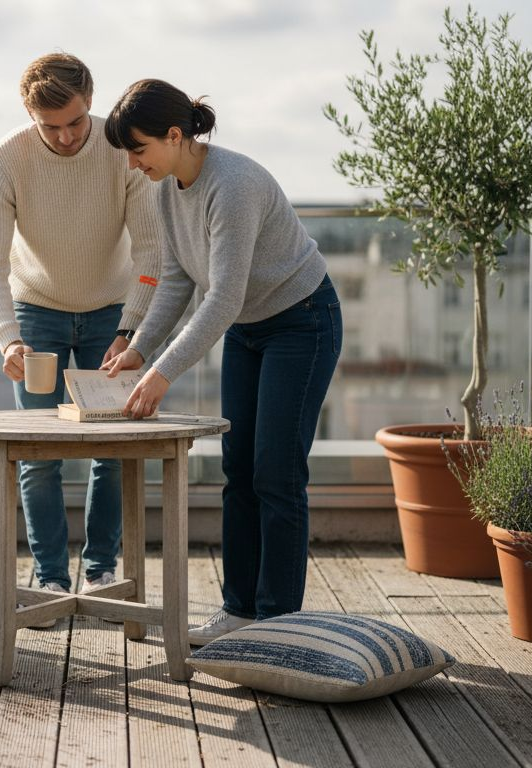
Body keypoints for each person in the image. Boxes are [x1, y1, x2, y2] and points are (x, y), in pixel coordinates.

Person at [100, 79, 342, 645]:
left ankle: (277, 622)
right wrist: (139, 348)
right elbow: (180, 277)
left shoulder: (231, 185)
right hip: (247, 329)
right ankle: (239, 612)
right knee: (240, 473)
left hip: (301, 321)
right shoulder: (167, 188)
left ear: (175, 135)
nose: (133, 164)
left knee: (276, 472)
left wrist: (162, 373)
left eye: (138, 149)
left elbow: (224, 295)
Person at [0, 53, 161, 620]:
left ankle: (102, 570)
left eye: (76, 122)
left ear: (91, 104)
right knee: (39, 452)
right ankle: (49, 577)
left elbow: (152, 252)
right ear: (29, 114)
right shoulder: (3, 162)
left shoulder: (121, 151)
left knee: (112, 449)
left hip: (112, 312)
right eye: (49, 126)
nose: (65, 136)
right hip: (37, 315)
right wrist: (7, 338)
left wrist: (132, 329)